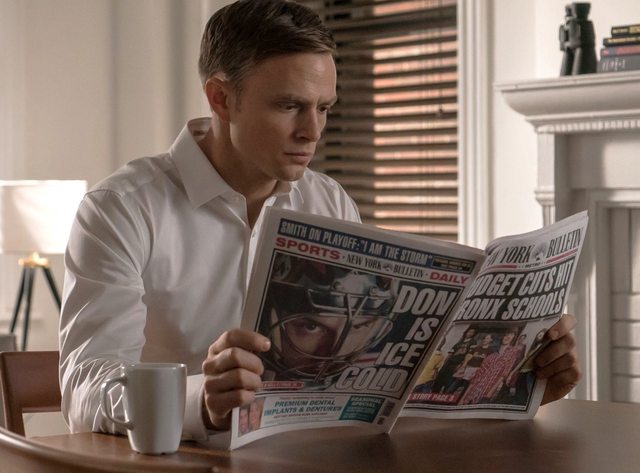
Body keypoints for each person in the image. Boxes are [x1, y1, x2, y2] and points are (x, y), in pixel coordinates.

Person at [59, 0, 582, 441]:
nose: (312, 131)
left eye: (324, 108)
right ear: (221, 98)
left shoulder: (329, 201)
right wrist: (200, 400)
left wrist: (515, 380)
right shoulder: (121, 208)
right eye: (290, 106)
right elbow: (84, 390)